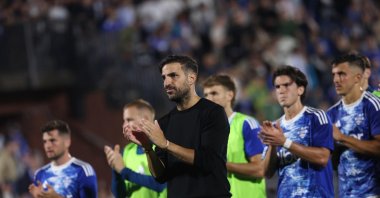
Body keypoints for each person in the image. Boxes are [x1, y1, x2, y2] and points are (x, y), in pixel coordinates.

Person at [125, 55, 231, 197]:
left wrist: (166, 144)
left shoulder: (213, 113)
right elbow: (160, 176)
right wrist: (147, 147)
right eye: (164, 77)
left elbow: (208, 161)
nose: (167, 82)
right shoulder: (164, 122)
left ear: (191, 78)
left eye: (173, 76)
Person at [260, 66, 334, 197]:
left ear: (300, 89)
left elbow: (323, 157)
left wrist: (284, 142)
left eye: (287, 85)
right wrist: (273, 143)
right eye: (277, 87)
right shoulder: (274, 127)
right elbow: (267, 172)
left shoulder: (316, 117)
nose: (281, 90)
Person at [202, 74, 266, 198]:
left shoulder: (246, 124)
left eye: (214, 93)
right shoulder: (203, 131)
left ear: (229, 95)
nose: (209, 98)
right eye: (206, 94)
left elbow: (260, 169)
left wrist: (222, 165)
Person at [327, 54, 380, 197]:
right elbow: (329, 161)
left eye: (342, 74)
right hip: (346, 193)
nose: (336, 80)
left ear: (358, 77)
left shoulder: (373, 105)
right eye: (334, 75)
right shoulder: (331, 114)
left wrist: (343, 138)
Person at [104, 99, 166, 198]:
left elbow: (161, 184)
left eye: (129, 120)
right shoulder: (127, 151)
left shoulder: (162, 146)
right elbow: (120, 194)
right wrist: (115, 169)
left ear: (145, 119)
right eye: (124, 120)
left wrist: (124, 171)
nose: (124, 125)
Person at [28, 120, 97, 198]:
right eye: (45, 141)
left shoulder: (83, 170)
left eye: (52, 140)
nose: (48, 146)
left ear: (67, 142)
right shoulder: (40, 174)